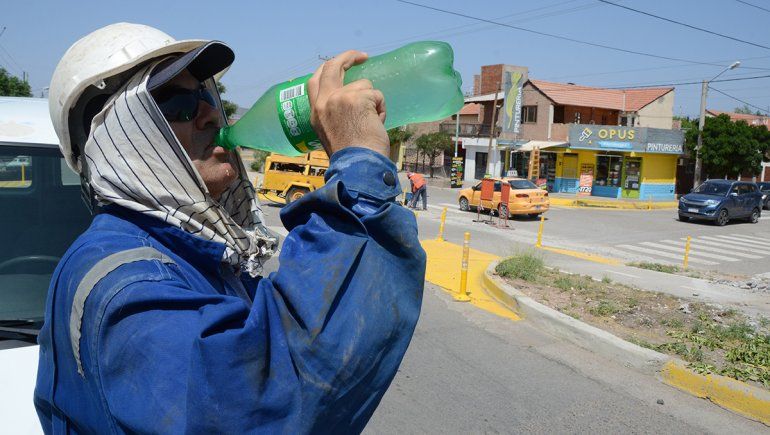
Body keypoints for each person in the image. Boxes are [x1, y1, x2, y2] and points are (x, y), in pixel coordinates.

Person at [35, 23, 425, 433]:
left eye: (206, 95)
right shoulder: (126, 288)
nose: (210, 114)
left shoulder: (189, 250)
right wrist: (358, 168)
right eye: (177, 104)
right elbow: (274, 399)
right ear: (118, 137)